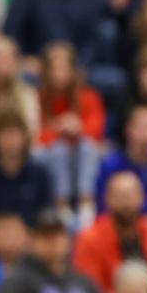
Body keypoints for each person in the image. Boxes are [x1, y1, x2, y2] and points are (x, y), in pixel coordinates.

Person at [74, 171, 147, 293]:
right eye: (119, 196)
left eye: (131, 195)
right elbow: (91, 292)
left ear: (142, 197)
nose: (126, 202)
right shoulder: (89, 239)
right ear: (107, 199)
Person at [36, 42, 105, 221]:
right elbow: (35, 134)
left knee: (87, 147)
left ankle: (86, 203)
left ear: (74, 71)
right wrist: (59, 129)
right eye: (54, 69)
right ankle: (61, 205)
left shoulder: (89, 96)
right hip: (50, 154)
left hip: (80, 152)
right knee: (59, 150)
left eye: (64, 69)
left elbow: (95, 131)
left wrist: (77, 129)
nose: (59, 75)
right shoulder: (36, 97)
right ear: (45, 72)